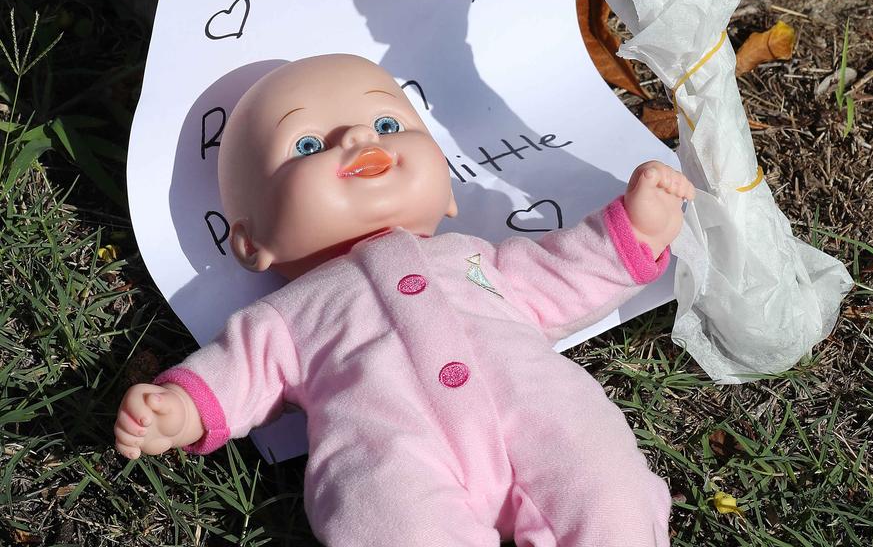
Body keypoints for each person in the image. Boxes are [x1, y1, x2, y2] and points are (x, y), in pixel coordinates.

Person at [114, 53, 694, 546]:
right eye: (309, 143)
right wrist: (183, 410)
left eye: (389, 125)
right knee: (386, 516)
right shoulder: (286, 318)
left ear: (447, 195)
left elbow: (559, 274)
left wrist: (633, 233)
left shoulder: (476, 259)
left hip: (538, 413)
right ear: (251, 242)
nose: (360, 139)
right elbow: (239, 371)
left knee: (600, 475)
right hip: (392, 453)